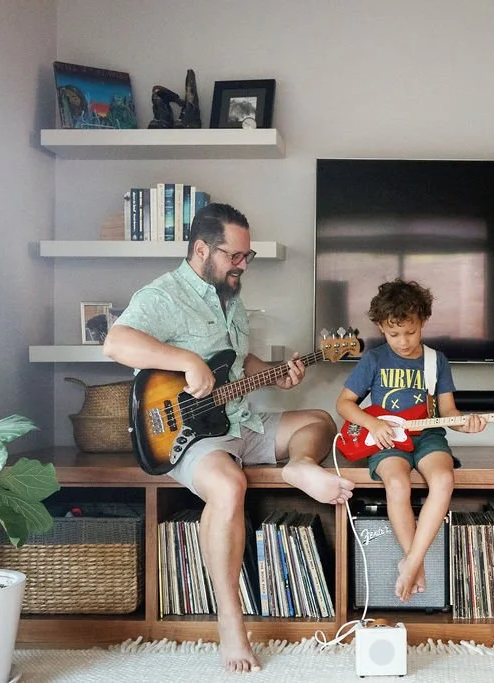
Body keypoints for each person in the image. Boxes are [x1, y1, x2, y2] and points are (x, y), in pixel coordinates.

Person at [103, 202, 354, 673]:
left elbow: (237, 367)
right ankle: (231, 621)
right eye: (234, 256)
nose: (242, 265)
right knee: (229, 485)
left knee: (319, 421)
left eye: (247, 256)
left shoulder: (229, 297)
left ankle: (299, 465)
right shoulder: (163, 295)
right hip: (188, 434)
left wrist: (276, 375)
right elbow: (116, 343)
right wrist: (185, 361)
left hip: (241, 423)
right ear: (202, 249)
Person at [336, 279, 486, 602]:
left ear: (423, 322)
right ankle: (415, 565)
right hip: (388, 437)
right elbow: (344, 404)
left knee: (444, 480)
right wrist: (372, 423)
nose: (403, 342)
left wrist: (467, 424)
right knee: (397, 484)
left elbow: (448, 412)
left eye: (411, 332)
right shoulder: (373, 360)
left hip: (427, 436)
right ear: (380, 326)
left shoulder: (437, 361)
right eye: (394, 334)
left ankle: (411, 563)